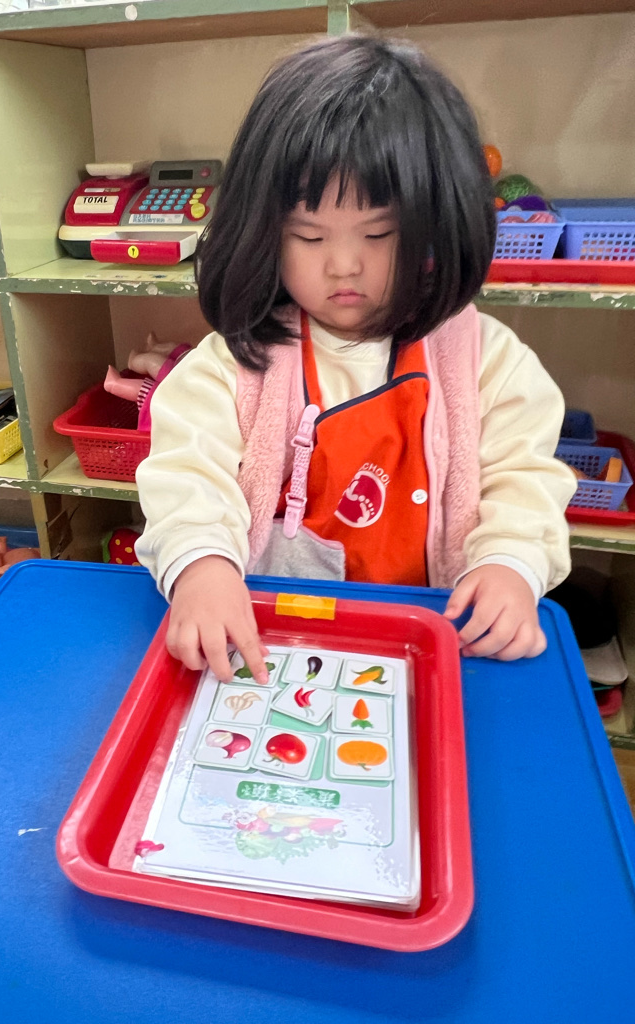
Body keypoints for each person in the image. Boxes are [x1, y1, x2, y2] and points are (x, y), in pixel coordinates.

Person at [135, 33, 576, 684]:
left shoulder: (485, 360)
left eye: (379, 233)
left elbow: (524, 479)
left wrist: (510, 564)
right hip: (274, 640)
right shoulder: (235, 364)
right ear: (264, 231)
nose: (343, 265)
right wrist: (202, 565)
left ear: (438, 223)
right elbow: (186, 474)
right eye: (308, 236)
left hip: (432, 640)